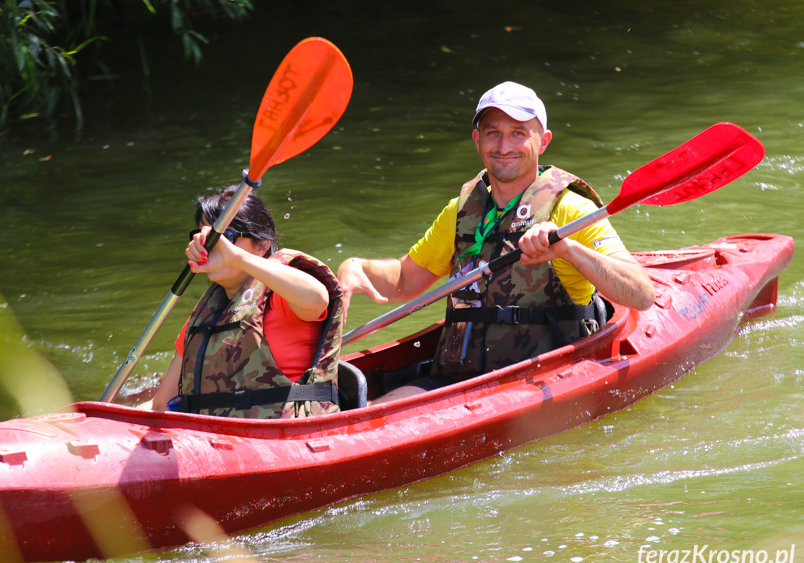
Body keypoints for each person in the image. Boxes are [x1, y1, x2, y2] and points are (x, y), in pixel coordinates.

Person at [338, 81, 655, 390]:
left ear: (543, 141)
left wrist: (568, 249)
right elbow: (405, 281)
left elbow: (640, 294)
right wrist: (357, 268)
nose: (504, 147)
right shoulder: (460, 212)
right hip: (458, 378)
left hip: (543, 378)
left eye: (518, 133)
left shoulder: (571, 209)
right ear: (477, 140)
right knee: (378, 410)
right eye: (493, 133)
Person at [152, 186, 343, 418]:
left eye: (227, 237)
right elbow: (162, 403)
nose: (214, 246)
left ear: (262, 246)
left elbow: (318, 299)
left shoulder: (281, 292)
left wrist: (237, 257)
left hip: (287, 438)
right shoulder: (206, 315)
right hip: (218, 440)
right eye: (207, 238)